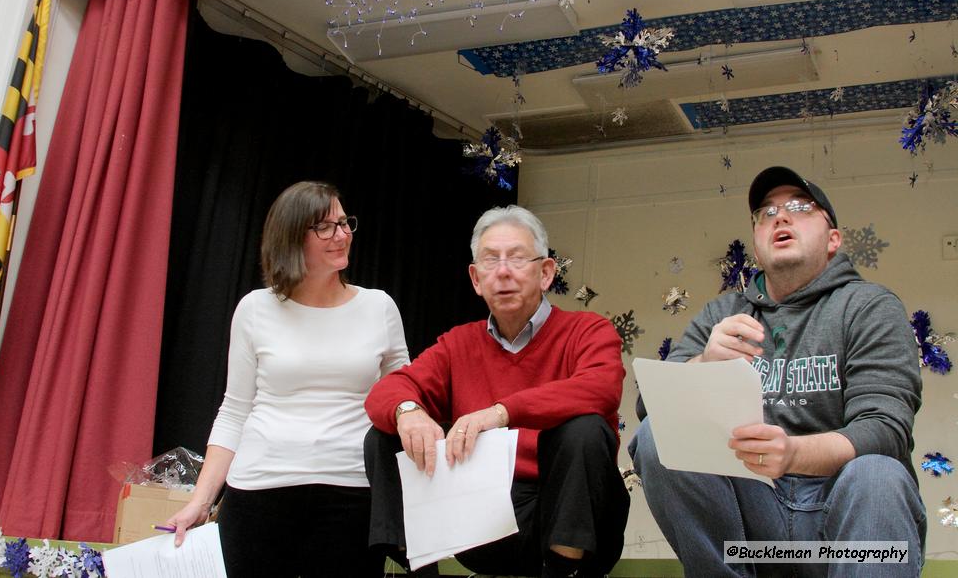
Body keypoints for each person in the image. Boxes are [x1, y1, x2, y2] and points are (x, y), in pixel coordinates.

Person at [630, 166, 925, 577]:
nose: (781, 217)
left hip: (840, 526)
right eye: (766, 213)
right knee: (656, 434)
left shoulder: (869, 307)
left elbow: (885, 430)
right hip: (753, 530)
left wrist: (792, 454)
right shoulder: (722, 314)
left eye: (800, 207)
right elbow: (652, 408)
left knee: (877, 473)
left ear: (833, 240)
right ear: (757, 240)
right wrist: (705, 365)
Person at [364, 205, 629, 578]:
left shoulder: (588, 331)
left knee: (584, 429)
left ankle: (562, 570)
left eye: (517, 259)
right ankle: (419, 569)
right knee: (384, 434)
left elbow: (600, 389)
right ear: (475, 278)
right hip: (481, 514)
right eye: (490, 261)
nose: (503, 271)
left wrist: (501, 412)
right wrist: (408, 410)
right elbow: (385, 392)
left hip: (574, 516)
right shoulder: (459, 344)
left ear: (546, 272)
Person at [166, 181, 409, 577]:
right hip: (259, 492)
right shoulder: (254, 309)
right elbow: (234, 411)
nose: (342, 234)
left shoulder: (379, 307)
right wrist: (200, 501)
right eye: (326, 227)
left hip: (352, 492)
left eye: (345, 222)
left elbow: (403, 398)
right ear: (293, 237)